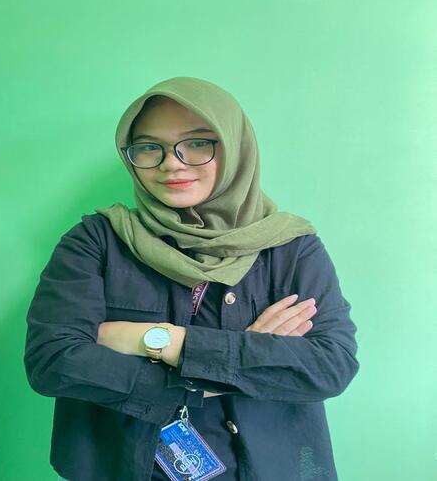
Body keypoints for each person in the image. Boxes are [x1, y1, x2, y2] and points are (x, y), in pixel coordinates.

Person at [24, 76, 360, 481]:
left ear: (234, 147)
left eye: (198, 143)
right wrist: (230, 366)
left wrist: (162, 340)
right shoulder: (97, 241)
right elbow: (52, 361)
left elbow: (330, 366)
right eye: (149, 147)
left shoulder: (291, 248)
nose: (171, 163)